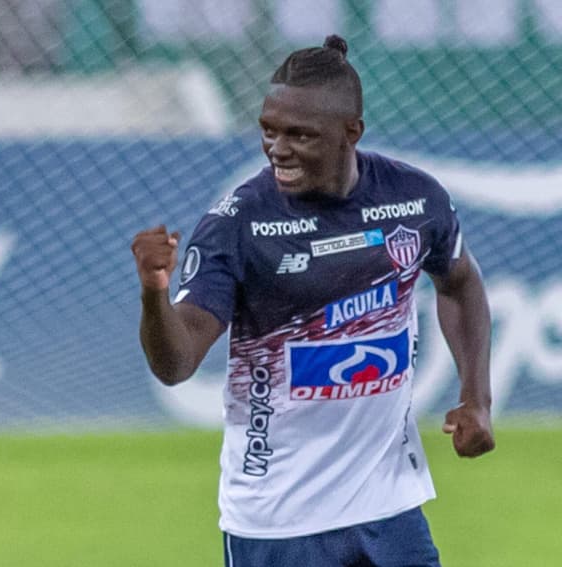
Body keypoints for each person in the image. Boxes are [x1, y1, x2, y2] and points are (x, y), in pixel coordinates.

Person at [131, 34, 495, 567]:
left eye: (299, 134)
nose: (278, 148)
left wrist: (476, 396)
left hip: (390, 506)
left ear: (352, 133)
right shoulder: (237, 225)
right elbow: (176, 362)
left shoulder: (415, 199)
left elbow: (460, 283)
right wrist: (154, 294)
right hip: (277, 522)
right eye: (269, 131)